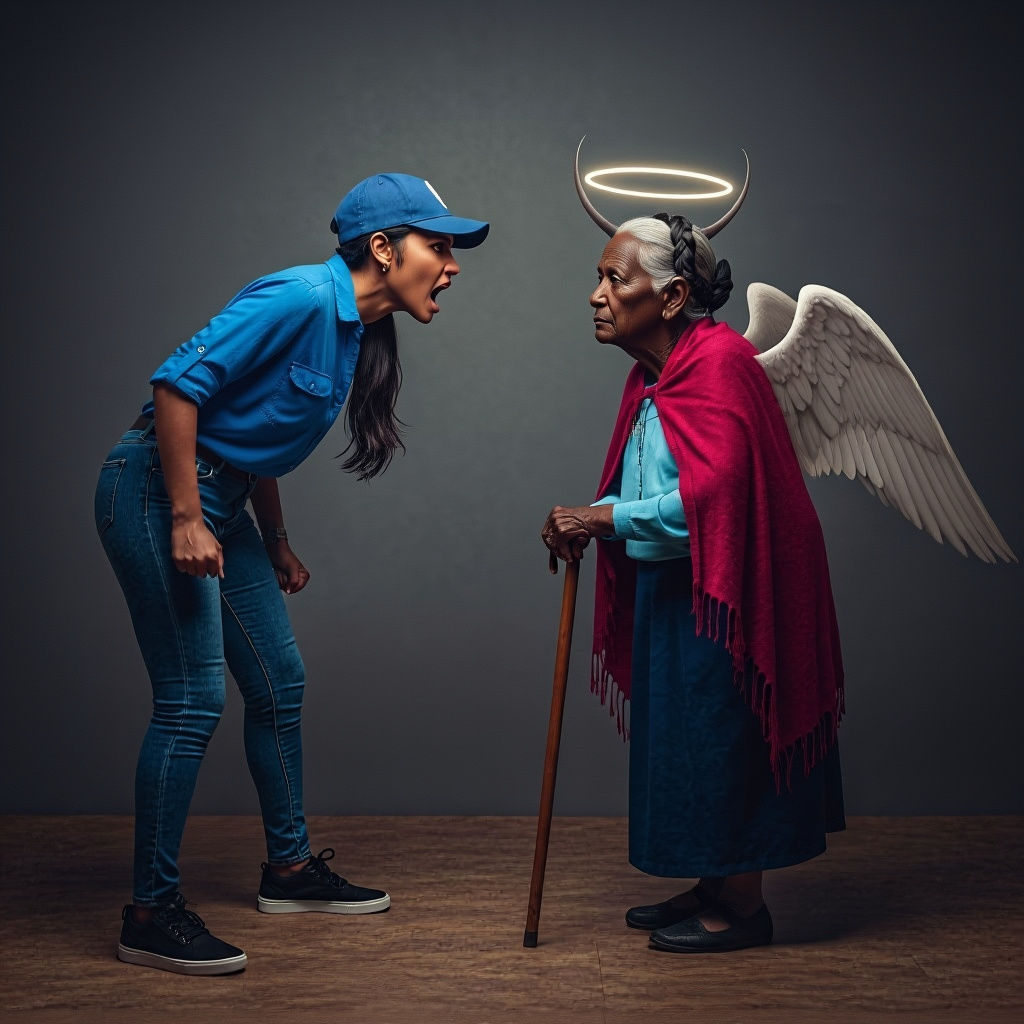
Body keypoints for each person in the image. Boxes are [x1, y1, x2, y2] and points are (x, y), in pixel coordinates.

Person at [95, 173, 489, 975]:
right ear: (383, 249)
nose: (452, 265)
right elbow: (177, 388)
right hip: (154, 486)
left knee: (279, 682)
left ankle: (290, 870)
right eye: (438, 246)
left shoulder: (354, 331)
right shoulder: (301, 297)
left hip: (223, 498)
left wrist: (272, 539)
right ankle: (150, 910)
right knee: (192, 699)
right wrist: (184, 517)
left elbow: (249, 436)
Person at [541, 198, 844, 954]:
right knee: (687, 739)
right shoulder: (658, 374)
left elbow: (715, 504)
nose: (596, 294)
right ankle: (715, 880)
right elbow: (653, 491)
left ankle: (745, 906)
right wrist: (593, 512)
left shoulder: (720, 365)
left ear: (671, 296)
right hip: (680, 591)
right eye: (599, 278)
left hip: (733, 592)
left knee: (725, 734)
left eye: (614, 280)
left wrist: (602, 520)